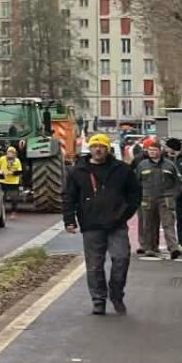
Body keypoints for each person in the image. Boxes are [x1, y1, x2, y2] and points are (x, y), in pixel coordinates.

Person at [65, 133, 142, 315]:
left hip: (116, 224)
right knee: (94, 265)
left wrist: (124, 214)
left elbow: (135, 194)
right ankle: (98, 299)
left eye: (102, 146)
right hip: (91, 223)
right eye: (94, 146)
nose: (98, 149)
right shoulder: (78, 171)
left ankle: (116, 293)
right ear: (89, 149)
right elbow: (69, 197)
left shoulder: (121, 170)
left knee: (121, 258)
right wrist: (69, 220)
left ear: (108, 149)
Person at [134, 142, 182, 260]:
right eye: (150, 150)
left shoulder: (169, 165)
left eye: (154, 150)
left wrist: (173, 195)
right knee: (149, 224)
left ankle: (173, 248)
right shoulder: (142, 165)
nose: (152, 152)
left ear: (160, 151)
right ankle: (150, 248)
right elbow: (136, 182)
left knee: (168, 223)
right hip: (147, 198)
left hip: (165, 198)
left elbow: (178, 182)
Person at [0, 146, 24, 212]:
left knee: (14, 198)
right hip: (2, 181)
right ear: (7, 153)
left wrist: (12, 173)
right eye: (9, 152)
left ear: (14, 154)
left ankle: (13, 211)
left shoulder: (17, 161)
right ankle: (1, 211)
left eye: (12, 152)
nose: (10, 154)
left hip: (13, 182)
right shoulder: (2, 159)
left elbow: (19, 171)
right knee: (2, 197)